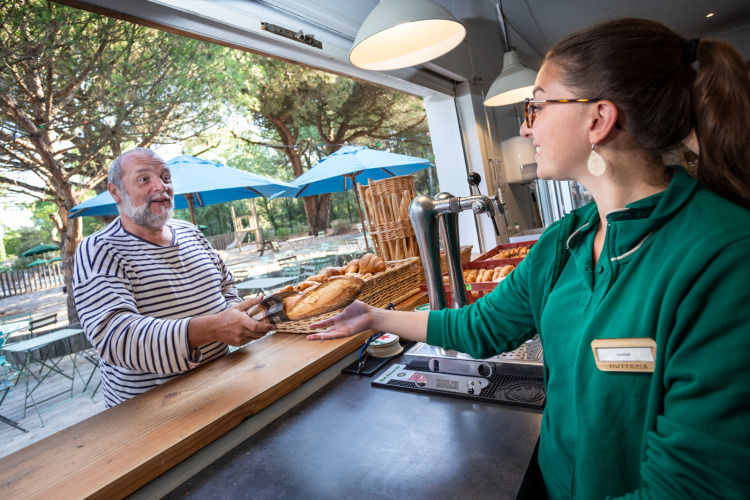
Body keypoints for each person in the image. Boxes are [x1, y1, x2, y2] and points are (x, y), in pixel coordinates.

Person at [307, 18, 750, 499]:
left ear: (598, 120)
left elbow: (692, 488)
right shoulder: (567, 240)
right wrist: (373, 316)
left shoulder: (725, 256)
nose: (524, 124)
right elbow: (480, 327)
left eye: (536, 105)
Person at [73, 148, 273, 407]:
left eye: (165, 178)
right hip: (153, 411)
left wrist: (239, 316)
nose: (161, 186)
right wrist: (214, 327)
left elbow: (226, 287)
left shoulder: (190, 231)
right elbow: (116, 338)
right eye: (144, 179)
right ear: (115, 192)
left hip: (224, 386)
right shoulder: (98, 248)